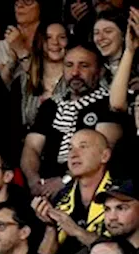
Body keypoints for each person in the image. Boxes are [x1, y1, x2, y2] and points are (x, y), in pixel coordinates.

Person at [22, 43, 118, 193]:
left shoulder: (108, 104)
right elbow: (32, 147)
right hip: (46, 186)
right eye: (69, 65)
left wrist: (64, 181)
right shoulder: (50, 105)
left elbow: (102, 151)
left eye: (84, 66)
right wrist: (34, 181)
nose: (75, 72)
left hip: (89, 188)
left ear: (100, 71)